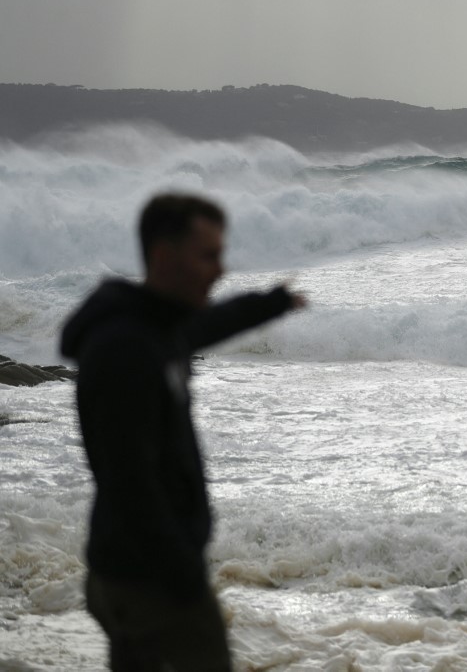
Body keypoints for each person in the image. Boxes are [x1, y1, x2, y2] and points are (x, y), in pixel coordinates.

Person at [60, 193, 305, 670]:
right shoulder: (127, 350)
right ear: (164, 257)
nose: (220, 269)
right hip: (149, 577)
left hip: (134, 568)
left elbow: (203, 327)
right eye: (208, 255)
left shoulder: (153, 329)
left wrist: (267, 304)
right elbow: (129, 479)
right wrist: (183, 573)